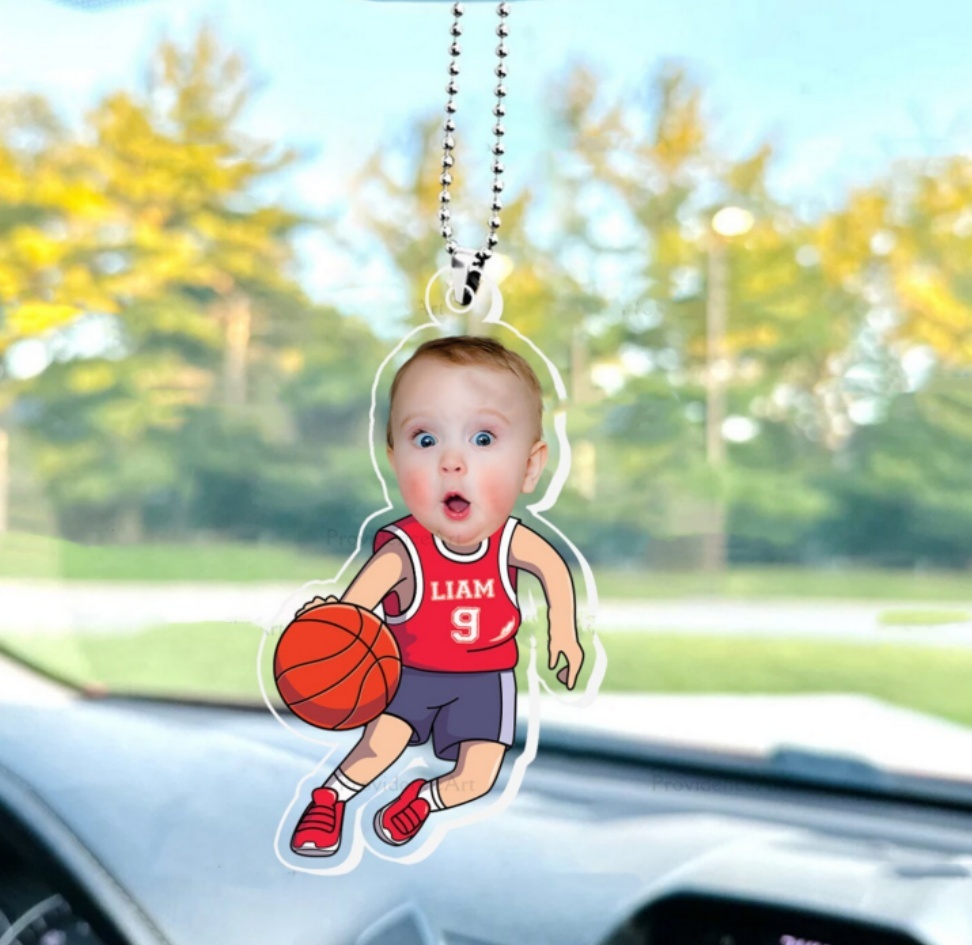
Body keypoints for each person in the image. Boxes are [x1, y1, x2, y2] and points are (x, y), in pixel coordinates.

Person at [290, 335, 584, 856]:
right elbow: (353, 613)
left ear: (530, 467)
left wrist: (564, 632)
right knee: (377, 747)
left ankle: (423, 799)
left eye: (483, 438)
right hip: (411, 674)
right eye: (425, 440)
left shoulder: (511, 542)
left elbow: (553, 571)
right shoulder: (404, 550)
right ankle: (329, 799)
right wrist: (328, 627)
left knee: (478, 775)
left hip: (486, 680)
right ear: (395, 461)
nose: (451, 461)